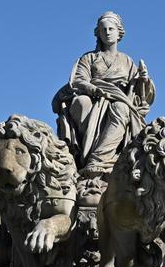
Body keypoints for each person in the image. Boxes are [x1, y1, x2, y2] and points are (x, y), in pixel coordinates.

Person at [53, 11, 155, 180]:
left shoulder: (127, 61)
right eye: (103, 29)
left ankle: (98, 160)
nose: (107, 32)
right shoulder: (89, 58)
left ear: (118, 32)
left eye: (111, 29)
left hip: (119, 100)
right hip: (93, 96)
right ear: (98, 33)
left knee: (120, 108)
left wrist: (143, 80)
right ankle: (84, 154)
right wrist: (93, 89)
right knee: (80, 103)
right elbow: (78, 80)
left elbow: (138, 92)